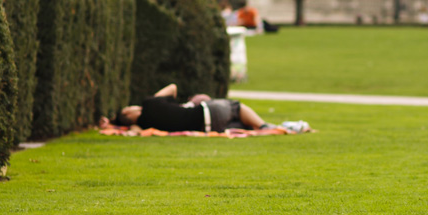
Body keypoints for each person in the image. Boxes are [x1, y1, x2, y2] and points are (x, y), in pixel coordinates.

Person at [103, 84, 308, 134]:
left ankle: (284, 127)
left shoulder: (144, 126)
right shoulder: (149, 105)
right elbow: (173, 87)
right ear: (129, 113)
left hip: (207, 128)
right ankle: (266, 126)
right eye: (131, 107)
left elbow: (127, 130)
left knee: (241, 124)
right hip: (206, 113)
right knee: (236, 107)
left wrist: (111, 124)